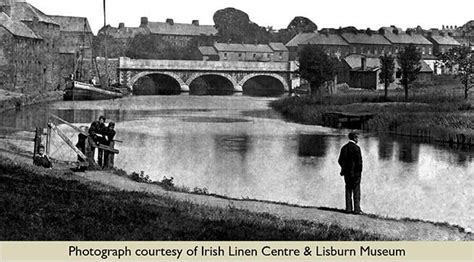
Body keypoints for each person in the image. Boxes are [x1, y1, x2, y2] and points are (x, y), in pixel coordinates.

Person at [338, 131, 363, 214]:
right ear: (354, 138)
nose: (358, 139)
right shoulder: (357, 148)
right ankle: (356, 209)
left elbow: (340, 160)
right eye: (357, 137)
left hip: (347, 173)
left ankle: (348, 209)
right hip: (355, 174)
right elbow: (359, 163)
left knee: (348, 190)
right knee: (356, 191)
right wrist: (359, 173)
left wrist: (344, 169)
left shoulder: (344, 148)